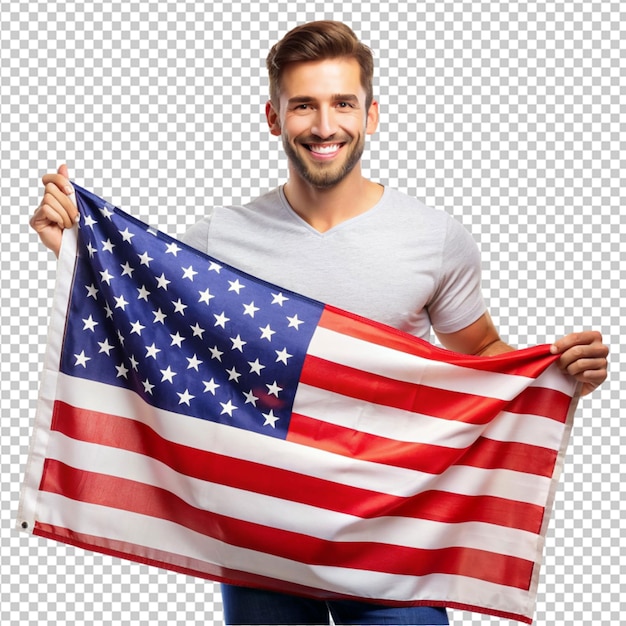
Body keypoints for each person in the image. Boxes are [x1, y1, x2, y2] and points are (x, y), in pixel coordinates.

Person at [30, 20, 608, 626]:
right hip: (262, 537)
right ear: (274, 117)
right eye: (303, 105)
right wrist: (73, 249)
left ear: (372, 114)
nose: (325, 126)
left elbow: (481, 352)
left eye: (342, 104)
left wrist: (558, 376)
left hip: (393, 537)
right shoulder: (217, 239)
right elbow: (152, 328)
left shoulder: (435, 239)